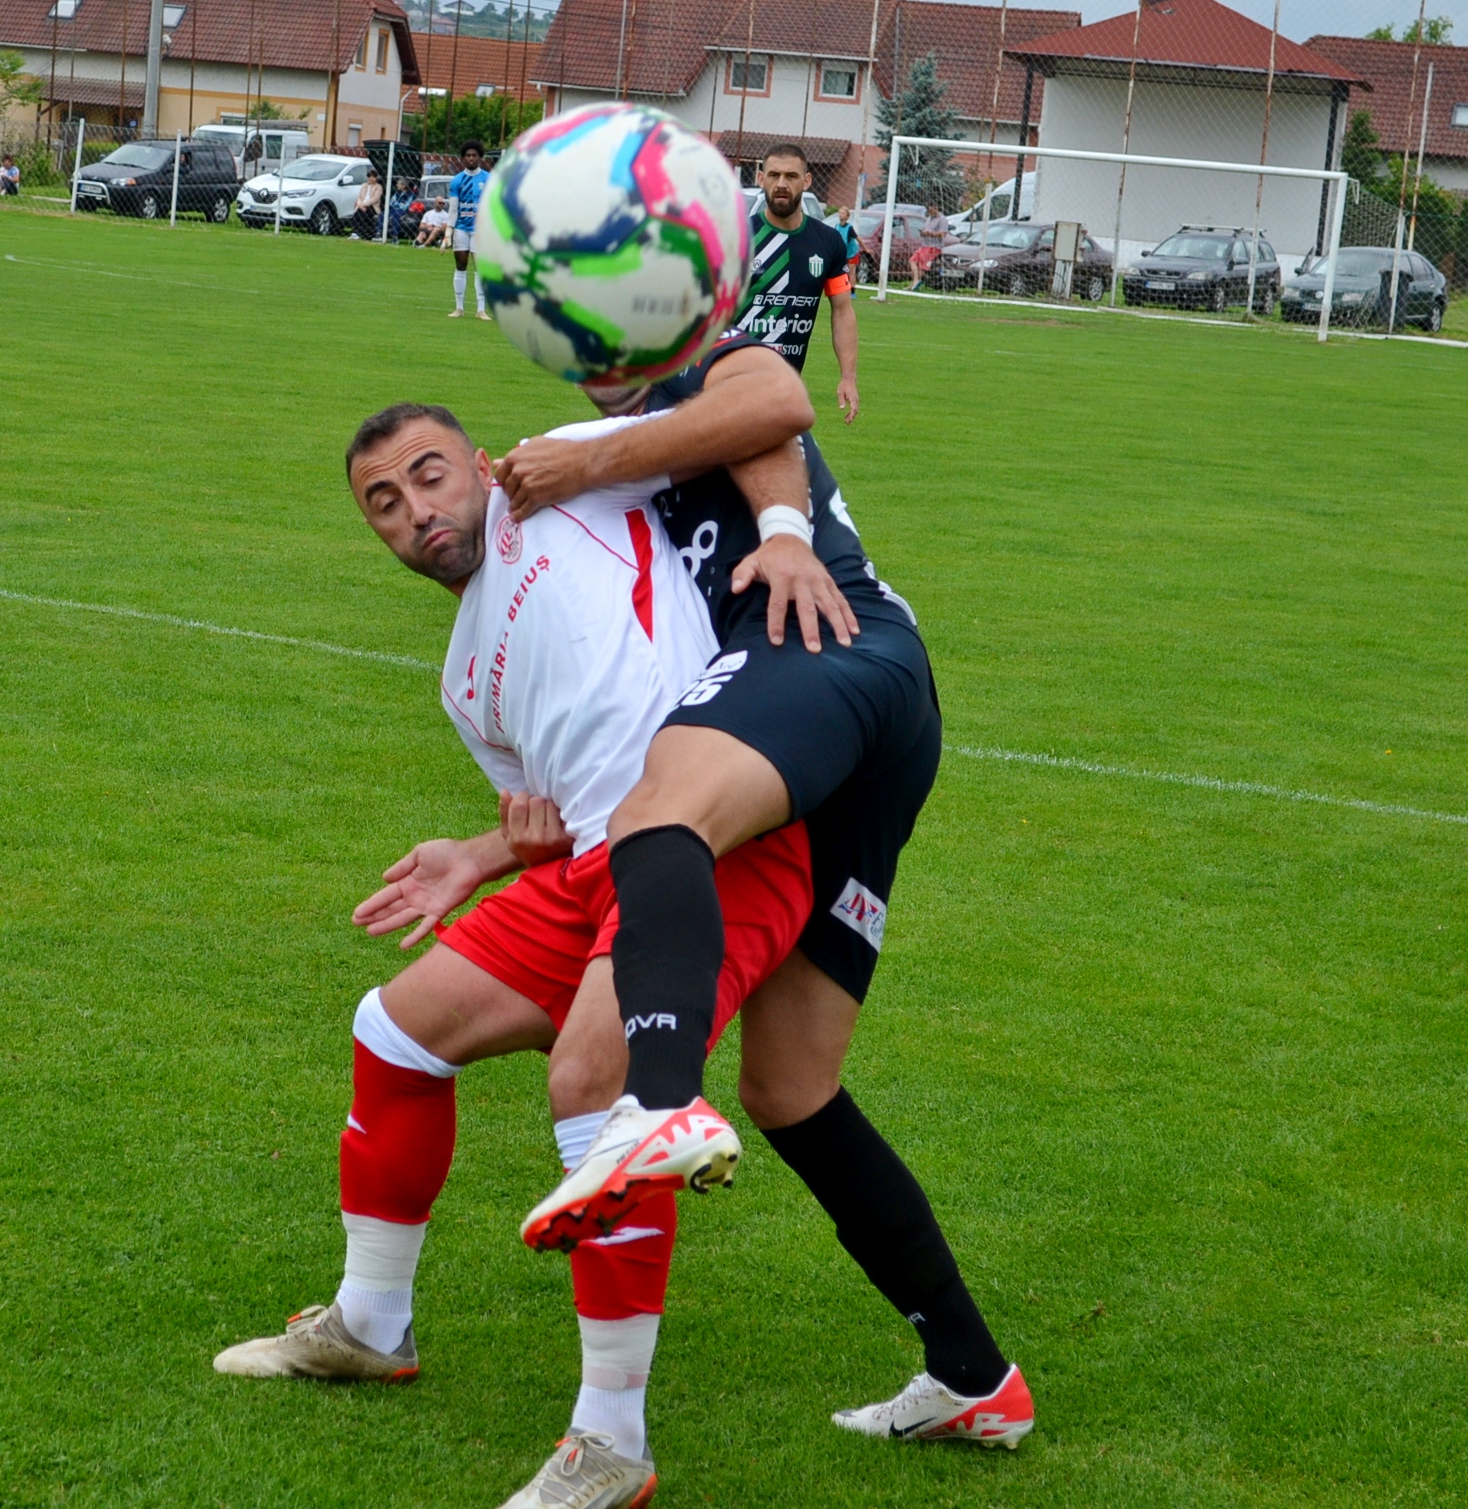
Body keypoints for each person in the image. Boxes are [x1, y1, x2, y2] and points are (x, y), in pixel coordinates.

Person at [214, 403, 817, 1509]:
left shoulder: (564, 488)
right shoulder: (463, 682)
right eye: (383, 505)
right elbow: (554, 809)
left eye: (429, 475)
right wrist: (486, 851)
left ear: (480, 466)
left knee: (591, 1080)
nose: (415, 512)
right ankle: (369, 1324)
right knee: (393, 1030)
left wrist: (785, 528)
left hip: (711, 838)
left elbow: (766, 404)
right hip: (595, 866)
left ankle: (612, 1444)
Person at [498, 334, 1033, 1449]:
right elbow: (759, 440)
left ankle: (654, 1103)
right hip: (868, 724)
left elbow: (775, 400)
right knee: (793, 1089)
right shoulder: (635, 431)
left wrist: (773, 531)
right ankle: (974, 1375)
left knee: (662, 813)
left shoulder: (709, 367)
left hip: (825, 647)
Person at [736, 143, 861, 423]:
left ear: (806, 181)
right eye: (773, 175)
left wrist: (848, 377)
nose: (781, 184)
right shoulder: (737, 238)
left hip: (785, 387)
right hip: (732, 381)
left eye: (791, 176)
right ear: (760, 179)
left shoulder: (828, 243)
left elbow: (842, 311)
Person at [448, 139, 492, 320]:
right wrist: (448, 232)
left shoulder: (488, 179)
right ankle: (459, 308)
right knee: (461, 265)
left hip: (480, 230)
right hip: (461, 228)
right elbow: (453, 208)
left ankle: (481, 310)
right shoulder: (457, 180)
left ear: (480, 157)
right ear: (463, 158)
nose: (471, 158)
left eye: (474, 155)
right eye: (468, 155)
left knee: (480, 268)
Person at [351, 167, 383, 241]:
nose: (371, 178)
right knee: (357, 215)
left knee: (364, 214)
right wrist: (360, 204)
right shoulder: (364, 185)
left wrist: (365, 204)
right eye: (369, 176)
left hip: (372, 206)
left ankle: (358, 232)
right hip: (361, 205)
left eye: (373, 177)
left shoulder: (378, 187)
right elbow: (359, 196)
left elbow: (375, 198)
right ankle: (355, 232)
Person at [834, 204, 862, 283]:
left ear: (847, 217)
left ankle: (852, 292)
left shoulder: (849, 228)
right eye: (840, 213)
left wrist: (866, 248)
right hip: (843, 254)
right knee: (842, 271)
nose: (841, 215)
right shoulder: (836, 227)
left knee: (851, 272)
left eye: (843, 213)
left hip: (852, 253)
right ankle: (844, 286)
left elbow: (858, 238)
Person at [387, 177, 415, 242]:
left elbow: (406, 206)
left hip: (403, 211)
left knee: (395, 216)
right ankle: (378, 233)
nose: (397, 185)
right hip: (394, 209)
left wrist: (396, 204)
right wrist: (398, 204)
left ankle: (395, 236)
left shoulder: (410, 194)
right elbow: (391, 202)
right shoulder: (397, 193)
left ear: (404, 185)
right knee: (382, 214)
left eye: (399, 184)